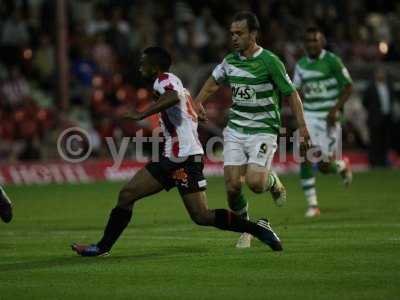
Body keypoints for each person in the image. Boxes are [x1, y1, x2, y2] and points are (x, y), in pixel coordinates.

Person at [71, 47, 283, 257]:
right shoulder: (176, 82)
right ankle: (102, 247)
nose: (140, 66)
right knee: (137, 197)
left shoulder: (163, 81)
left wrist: (141, 114)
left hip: (182, 157)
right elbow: (181, 103)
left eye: (144, 62)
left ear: (154, 66)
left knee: (198, 215)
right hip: (176, 156)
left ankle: (258, 229)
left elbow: (172, 96)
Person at [194, 11, 310, 248]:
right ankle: (247, 228)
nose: (234, 38)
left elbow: (291, 94)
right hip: (236, 129)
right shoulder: (230, 61)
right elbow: (213, 82)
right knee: (232, 187)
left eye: (239, 33)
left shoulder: (270, 61)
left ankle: (273, 181)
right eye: (232, 34)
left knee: (256, 184)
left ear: (253, 34)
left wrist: (303, 127)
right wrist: (198, 103)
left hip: (263, 129)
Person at [292, 27, 353, 217]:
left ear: (322, 42)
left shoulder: (332, 61)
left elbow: (348, 86)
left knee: (325, 166)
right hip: (309, 115)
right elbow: (296, 92)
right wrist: (299, 116)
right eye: (308, 41)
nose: (311, 44)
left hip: (328, 118)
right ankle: (313, 205)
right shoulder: (301, 65)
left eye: (315, 40)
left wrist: (336, 109)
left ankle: (341, 166)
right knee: (304, 153)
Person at [362, 66, 396, 167]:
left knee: (385, 141)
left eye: (383, 73)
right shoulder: (371, 87)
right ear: (375, 75)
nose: (381, 75)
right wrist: (373, 112)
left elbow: (392, 99)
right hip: (375, 118)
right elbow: (365, 102)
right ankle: (374, 162)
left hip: (387, 117)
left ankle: (384, 160)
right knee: (375, 141)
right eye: (379, 73)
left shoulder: (389, 86)